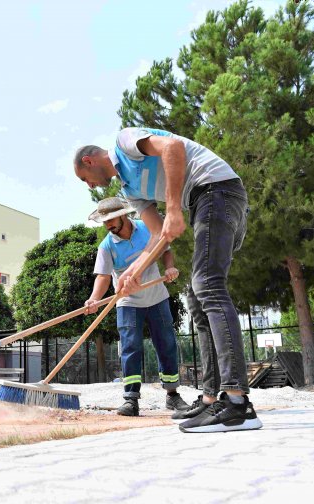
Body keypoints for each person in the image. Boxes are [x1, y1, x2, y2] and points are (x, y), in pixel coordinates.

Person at [74, 127, 262, 433]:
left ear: (89, 160)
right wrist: (134, 273)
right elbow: (158, 235)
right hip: (203, 199)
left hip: (217, 189)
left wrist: (174, 208)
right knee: (197, 300)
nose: (89, 185)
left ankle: (238, 403)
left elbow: (173, 147)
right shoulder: (129, 191)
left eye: (84, 178)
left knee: (207, 286)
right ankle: (212, 396)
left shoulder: (124, 143)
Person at [84, 197, 190, 417]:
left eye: (111, 220)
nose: (108, 225)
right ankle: (131, 399)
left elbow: (165, 250)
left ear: (123, 215)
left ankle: (172, 395)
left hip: (157, 297)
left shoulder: (147, 228)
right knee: (130, 347)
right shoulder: (106, 246)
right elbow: (103, 277)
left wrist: (170, 268)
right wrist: (94, 298)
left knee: (166, 344)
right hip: (128, 302)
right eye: (104, 222)